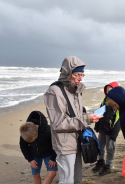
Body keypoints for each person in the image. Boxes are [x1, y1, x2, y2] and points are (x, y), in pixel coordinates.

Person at [43, 56, 103, 184]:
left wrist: (88, 117)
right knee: (67, 180)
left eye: (82, 75)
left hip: (77, 141)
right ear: (67, 73)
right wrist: (86, 119)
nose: (80, 78)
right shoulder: (54, 92)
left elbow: (76, 115)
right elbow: (58, 124)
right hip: (64, 145)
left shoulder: (76, 90)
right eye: (77, 75)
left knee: (77, 179)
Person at [19, 111, 57, 184]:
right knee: (35, 175)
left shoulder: (49, 130)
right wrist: (30, 159)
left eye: (33, 139)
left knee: (52, 173)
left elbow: (56, 144)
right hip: (34, 155)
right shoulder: (25, 132)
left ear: (36, 131)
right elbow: (23, 146)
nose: (33, 141)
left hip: (49, 153)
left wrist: (53, 158)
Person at [92, 82, 120, 176]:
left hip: (111, 131)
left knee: (110, 148)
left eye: (111, 89)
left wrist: (114, 134)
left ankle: (108, 165)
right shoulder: (105, 99)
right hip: (102, 129)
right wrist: (97, 126)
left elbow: (119, 119)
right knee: (100, 146)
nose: (109, 91)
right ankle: (101, 161)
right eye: (107, 89)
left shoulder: (118, 102)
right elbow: (100, 112)